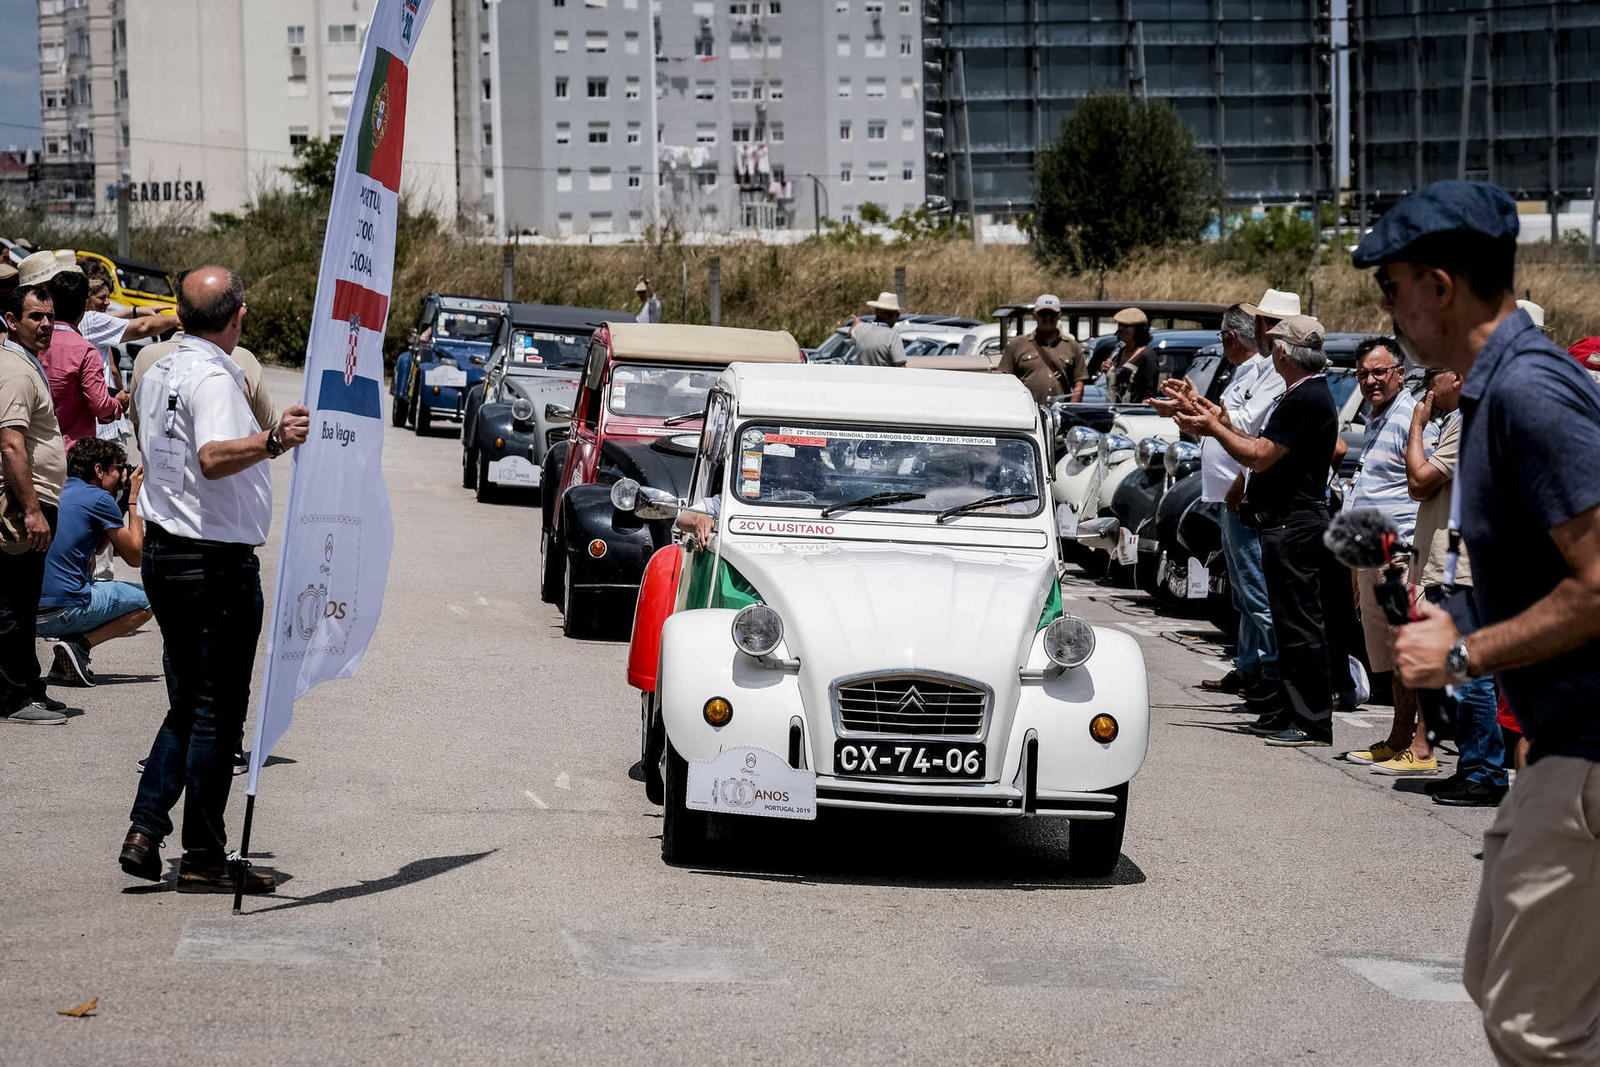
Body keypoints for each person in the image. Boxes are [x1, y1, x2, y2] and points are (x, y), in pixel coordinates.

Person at [1372, 179, 1600, 1062]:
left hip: (1588, 749)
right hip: (1561, 743)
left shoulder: (1529, 394)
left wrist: (1463, 652)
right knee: (1494, 974)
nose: (1385, 309)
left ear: (1440, 284)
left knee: (1536, 1029)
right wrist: (1453, 609)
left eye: (1390, 287)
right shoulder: (1497, 388)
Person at [119, 266, 310, 895]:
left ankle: (148, 827)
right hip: (210, 564)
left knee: (192, 701)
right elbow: (213, 455)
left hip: (170, 553)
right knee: (216, 715)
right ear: (238, 316)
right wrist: (274, 439)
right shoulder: (213, 377)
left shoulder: (159, 368)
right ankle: (201, 853)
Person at [1171, 316, 1345, 747]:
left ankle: (1311, 719)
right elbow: (1253, 441)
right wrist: (1210, 417)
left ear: (1284, 353)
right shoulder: (1298, 394)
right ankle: (1285, 709)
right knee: (1287, 626)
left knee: (1300, 626)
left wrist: (1211, 426)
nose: (1271, 352)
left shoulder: (1305, 397)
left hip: (1296, 524)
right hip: (1282, 522)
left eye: (1274, 345)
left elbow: (1260, 455)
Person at [1158, 303, 1283, 711]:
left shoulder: (1268, 373)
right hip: (1231, 496)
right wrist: (1192, 408)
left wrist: (1242, 481)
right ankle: (1249, 667)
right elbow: (1227, 424)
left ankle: (1269, 676)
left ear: (1232, 337)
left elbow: (1249, 430)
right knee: (1243, 594)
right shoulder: (1246, 373)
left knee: (1256, 594)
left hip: (1244, 495)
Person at [1400, 367, 1507, 806]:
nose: (1428, 386)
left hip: (1463, 564)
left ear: (1458, 376)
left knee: (1470, 673)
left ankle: (1485, 771)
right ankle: (1473, 765)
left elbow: (1419, 482)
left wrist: (1416, 427)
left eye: (1433, 376)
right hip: (1462, 562)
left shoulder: (1469, 417)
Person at [1342, 337, 1436, 775]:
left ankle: (1421, 746)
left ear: (1401, 374)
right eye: (1363, 373)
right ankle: (1399, 737)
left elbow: (1430, 479)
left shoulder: (1412, 418)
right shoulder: (1377, 414)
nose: (1371, 380)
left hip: (1398, 553)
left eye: (1380, 372)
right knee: (1388, 653)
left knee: (1408, 650)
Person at [0, 285, 68, 724]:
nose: (45, 325)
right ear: (11, 320)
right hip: (22, 503)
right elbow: (11, 444)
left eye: (49, 317)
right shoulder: (15, 370)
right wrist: (30, 509)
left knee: (23, 601)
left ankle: (28, 686)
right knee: (12, 602)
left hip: (36, 499)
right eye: (34, 317)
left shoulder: (26, 364)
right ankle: (14, 697)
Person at [35, 437, 149, 686]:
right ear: (99, 470)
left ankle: (62, 665)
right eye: (118, 468)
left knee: (84, 584)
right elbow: (136, 556)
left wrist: (115, 505)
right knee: (149, 601)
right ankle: (80, 645)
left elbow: (95, 548)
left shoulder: (58, 489)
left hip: (30, 614)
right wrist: (133, 499)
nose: (122, 475)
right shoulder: (99, 498)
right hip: (63, 612)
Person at [15, 253, 129, 451]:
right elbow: (100, 406)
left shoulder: (26, 341)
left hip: (33, 448)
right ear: (85, 304)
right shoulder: (84, 351)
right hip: (72, 452)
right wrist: (119, 403)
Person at [130, 337, 276, 438]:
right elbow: (267, 431)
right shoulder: (243, 360)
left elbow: (140, 433)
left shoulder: (146, 355)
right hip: (224, 479)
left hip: (159, 477)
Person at [995, 293, 1088, 403]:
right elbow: (1004, 382)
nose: (1048, 318)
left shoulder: (1072, 346)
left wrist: (1071, 413)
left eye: (1052, 314)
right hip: (1027, 413)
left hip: (1059, 414)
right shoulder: (1017, 345)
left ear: (1059, 316)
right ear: (1035, 315)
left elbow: (1079, 384)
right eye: (1043, 314)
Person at [1106, 308, 1159, 403]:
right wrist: (1109, 369)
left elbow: (1149, 393)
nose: (1121, 329)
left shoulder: (1147, 355)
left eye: (1127, 326)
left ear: (1139, 329)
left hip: (1132, 414)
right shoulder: (1121, 351)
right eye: (1120, 325)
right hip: (1115, 411)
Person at [849, 291, 906, 368]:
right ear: (890, 315)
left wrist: (856, 322)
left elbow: (850, 334)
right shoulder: (892, 336)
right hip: (884, 378)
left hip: (862, 377)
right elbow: (900, 364)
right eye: (897, 315)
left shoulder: (860, 329)